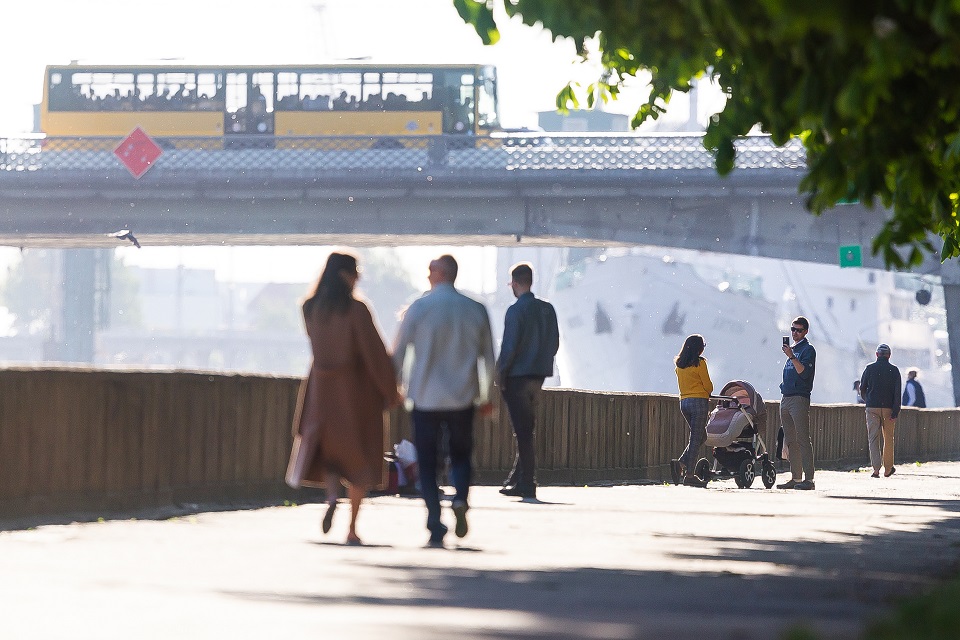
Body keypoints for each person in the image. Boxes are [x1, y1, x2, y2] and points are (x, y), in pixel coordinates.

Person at [285, 252, 400, 545]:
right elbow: (373, 353)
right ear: (345, 275)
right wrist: (390, 390)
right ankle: (352, 528)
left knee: (330, 453)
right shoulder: (356, 310)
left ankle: (332, 496)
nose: (359, 277)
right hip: (353, 391)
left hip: (320, 389)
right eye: (356, 271)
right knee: (359, 457)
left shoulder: (310, 308)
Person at [393, 255, 496, 547]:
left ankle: (434, 520)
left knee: (427, 462)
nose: (427, 276)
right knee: (461, 455)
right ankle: (460, 498)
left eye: (429, 271)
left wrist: (396, 388)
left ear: (439, 273)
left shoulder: (419, 308)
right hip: (463, 398)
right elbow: (488, 358)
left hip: (425, 398)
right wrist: (487, 397)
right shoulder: (476, 309)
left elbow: (398, 353)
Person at [496, 262, 560, 499]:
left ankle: (527, 482)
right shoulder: (547, 309)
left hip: (517, 377)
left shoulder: (515, 310)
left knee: (522, 431)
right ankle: (517, 478)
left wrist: (500, 374)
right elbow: (554, 343)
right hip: (538, 376)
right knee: (527, 428)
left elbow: (509, 347)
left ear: (514, 283)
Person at [777, 316, 817, 490]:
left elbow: (804, 373)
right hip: (786, 397)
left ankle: (809, 479)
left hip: (799, 398)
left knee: (802, 439)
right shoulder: (792, 349)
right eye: (793, 329)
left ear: (806, 331)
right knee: (790, 440)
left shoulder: (808, 350)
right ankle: (796, 477)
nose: (795, 333)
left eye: (798, 330)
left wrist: (792, 356)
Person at [673, 334, 713, 488]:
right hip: (698, 402)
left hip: (684, 403)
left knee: (700, 436)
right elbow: (708, 386)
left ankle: (682, 463)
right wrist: (706, 391)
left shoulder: (679, 365)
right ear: (699, 348)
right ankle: (689, 475)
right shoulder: (700, 363)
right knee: (696, 439)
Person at [859, 343, 902, 478]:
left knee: (873, 438)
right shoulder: (894, 370)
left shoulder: (869, 368)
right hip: (889, 408)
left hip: (872, 407)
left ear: (877, 355)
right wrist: (895, 412)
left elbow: (862, 388)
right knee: (888, 438)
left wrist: (869, 401)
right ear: (889, 356)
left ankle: (876, 469)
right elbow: (897, 394)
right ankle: (888, 468)